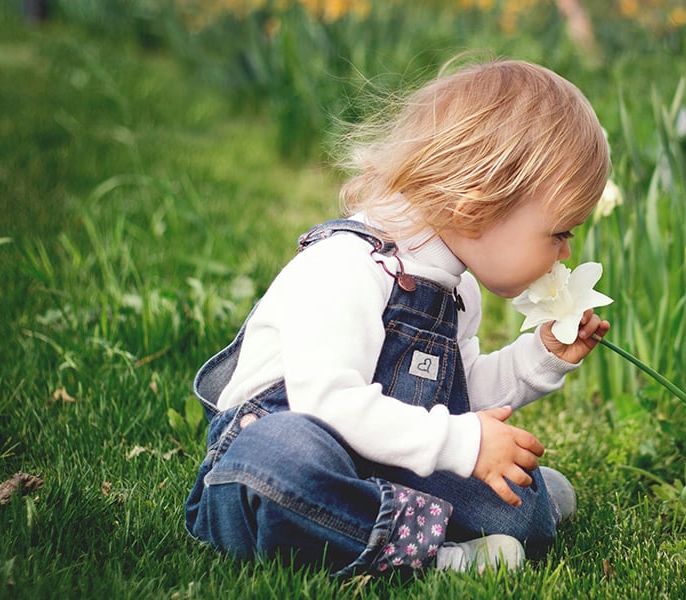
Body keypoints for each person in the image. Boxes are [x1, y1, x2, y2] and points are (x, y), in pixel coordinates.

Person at [183, 58, 611, 577]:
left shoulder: (457, 289)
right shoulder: (347, 266)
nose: (565, 253)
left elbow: (457, 395)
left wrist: (539, 359)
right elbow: (328, 404)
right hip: (283, 455)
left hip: (381, 456)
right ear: (478, 205)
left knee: (522, 508)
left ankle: (423, 515)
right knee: (282, 462)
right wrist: (462, 443)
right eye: (560, 232)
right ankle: (434, 555)